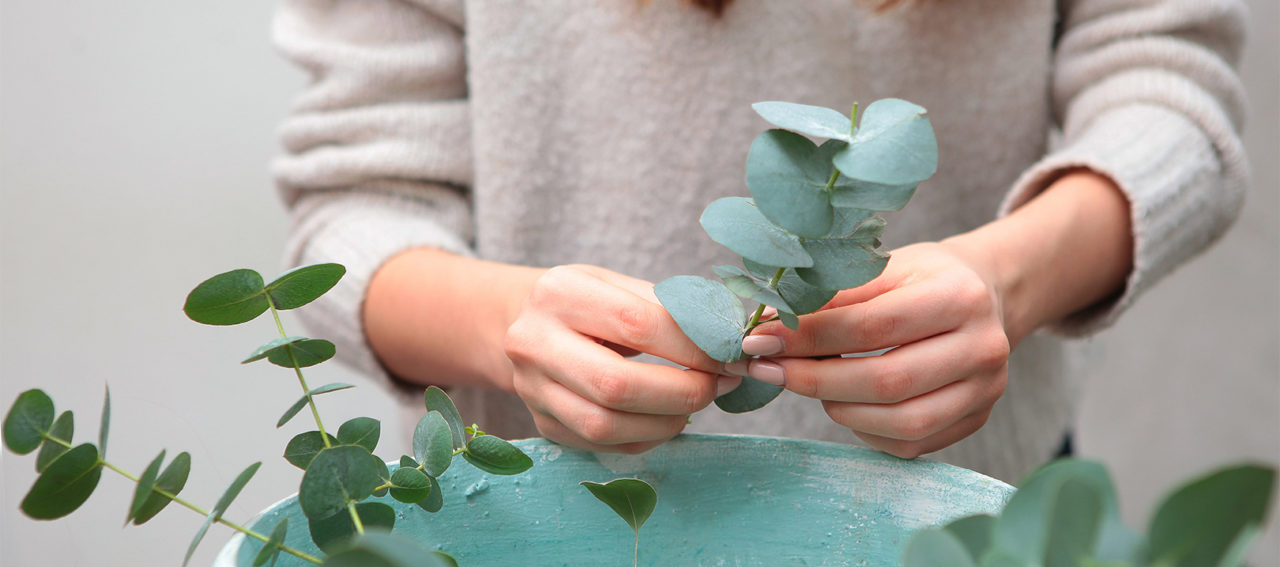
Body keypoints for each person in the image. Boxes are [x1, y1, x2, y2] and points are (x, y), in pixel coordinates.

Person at [271, 0, 1248, 484]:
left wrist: (1007, 278)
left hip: (958, 529)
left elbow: (1167, 90)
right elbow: (354, 203)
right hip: (539, 534)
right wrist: (510, 328)